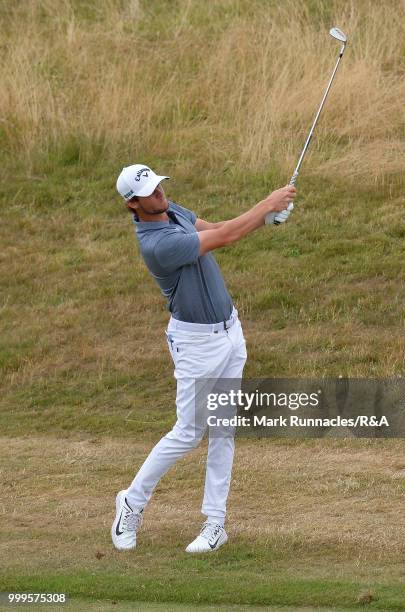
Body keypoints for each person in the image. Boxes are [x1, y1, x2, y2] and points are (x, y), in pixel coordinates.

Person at [112, 163, 296, 553]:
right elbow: (225, 238)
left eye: (159, 185)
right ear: (133, 204)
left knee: (224, 430)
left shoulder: (171, 210)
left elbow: (215, 228)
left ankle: (215, 523)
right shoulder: (156, 244)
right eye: (149, 191)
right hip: (196, 345)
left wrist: (265, 219)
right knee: (188, 433)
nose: (159, 193)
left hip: (230, 333)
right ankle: (131, 501)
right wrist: (267, 203)